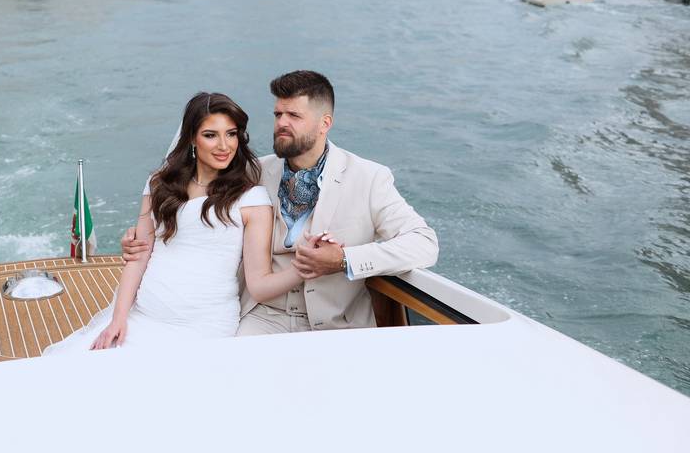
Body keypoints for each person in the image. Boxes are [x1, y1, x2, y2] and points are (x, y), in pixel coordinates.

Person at [123, 70, 438, 335]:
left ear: (324, 123)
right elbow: (182, 196)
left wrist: (343, 260)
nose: (281, 124)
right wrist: (139, 236)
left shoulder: (369, 178)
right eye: (278, 114)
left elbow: (424, 245)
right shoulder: (248, 172)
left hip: (338, 325)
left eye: (294, 116)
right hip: (261, 316)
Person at [43, 92, 300, 353]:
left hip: (206, 328)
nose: (224, 145)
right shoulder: (159, 185)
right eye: (210, 135)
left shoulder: (251, 199)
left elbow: (258, 284)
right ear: (191, 138)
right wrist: (118, 319)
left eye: (231, 134)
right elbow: (138, 257)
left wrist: (303, 269)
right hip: (142, 318)